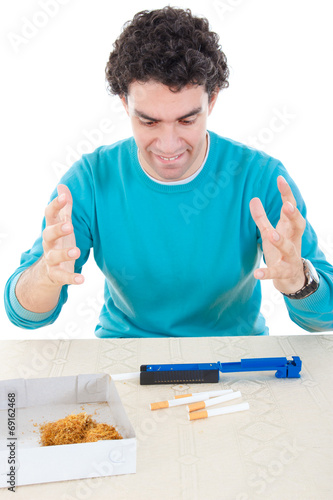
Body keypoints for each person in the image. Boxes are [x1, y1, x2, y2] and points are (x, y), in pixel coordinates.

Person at [4, 7, 333, 337]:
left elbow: (324, 318)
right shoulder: (90, 180)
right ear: (124, 104)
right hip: (126, 360)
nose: (168, 145)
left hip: (236, 364)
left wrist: (298, 281)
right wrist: (45, 277)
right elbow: (25, 316)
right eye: (149, 121)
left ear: (212, 101)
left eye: (187, 120)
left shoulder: (260, 177)